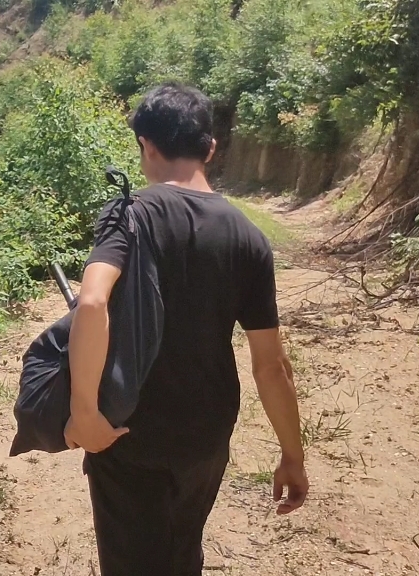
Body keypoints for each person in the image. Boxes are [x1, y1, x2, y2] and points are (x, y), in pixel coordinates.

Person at [64, 83, 309, 575]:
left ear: (146, 146)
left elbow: (91, 302)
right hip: (207, 431)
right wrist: (292, 455)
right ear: (211, 149)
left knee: (132, 560)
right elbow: (271, 365)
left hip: (131, 431)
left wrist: (84, 413)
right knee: (182, 547)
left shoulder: (130, 214)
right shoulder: (249, 239)